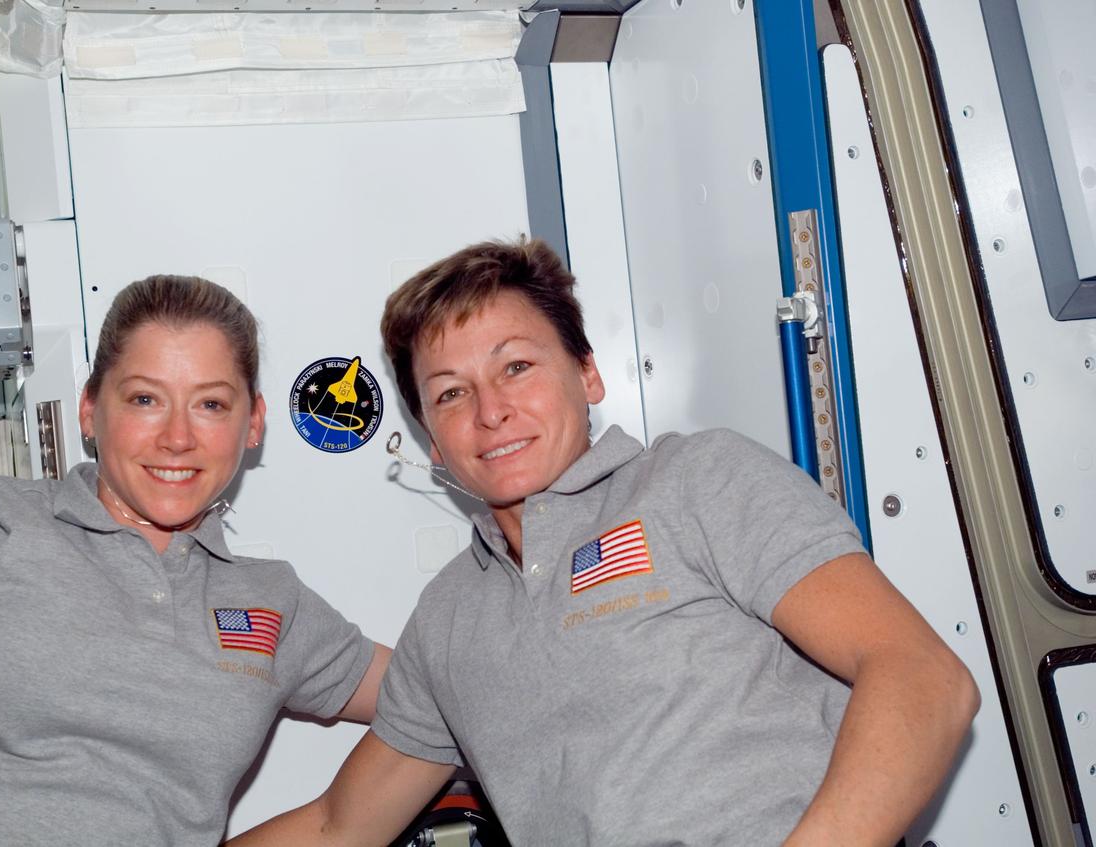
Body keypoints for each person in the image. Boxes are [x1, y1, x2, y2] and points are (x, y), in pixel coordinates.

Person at [230, 238, 980, 846]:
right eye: (452, 392)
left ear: (587, 374)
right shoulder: (447, 620)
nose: (490, 411)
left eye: (516, 366)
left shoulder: (695, 480)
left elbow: (921, 675)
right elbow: (339, 825)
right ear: (432, 443)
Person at [0, 275, 389, 845]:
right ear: (90, 410)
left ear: (254, 421)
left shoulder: (272, 603)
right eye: (145, 399)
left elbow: (437, 694)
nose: (177, 437)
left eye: (211, 404)